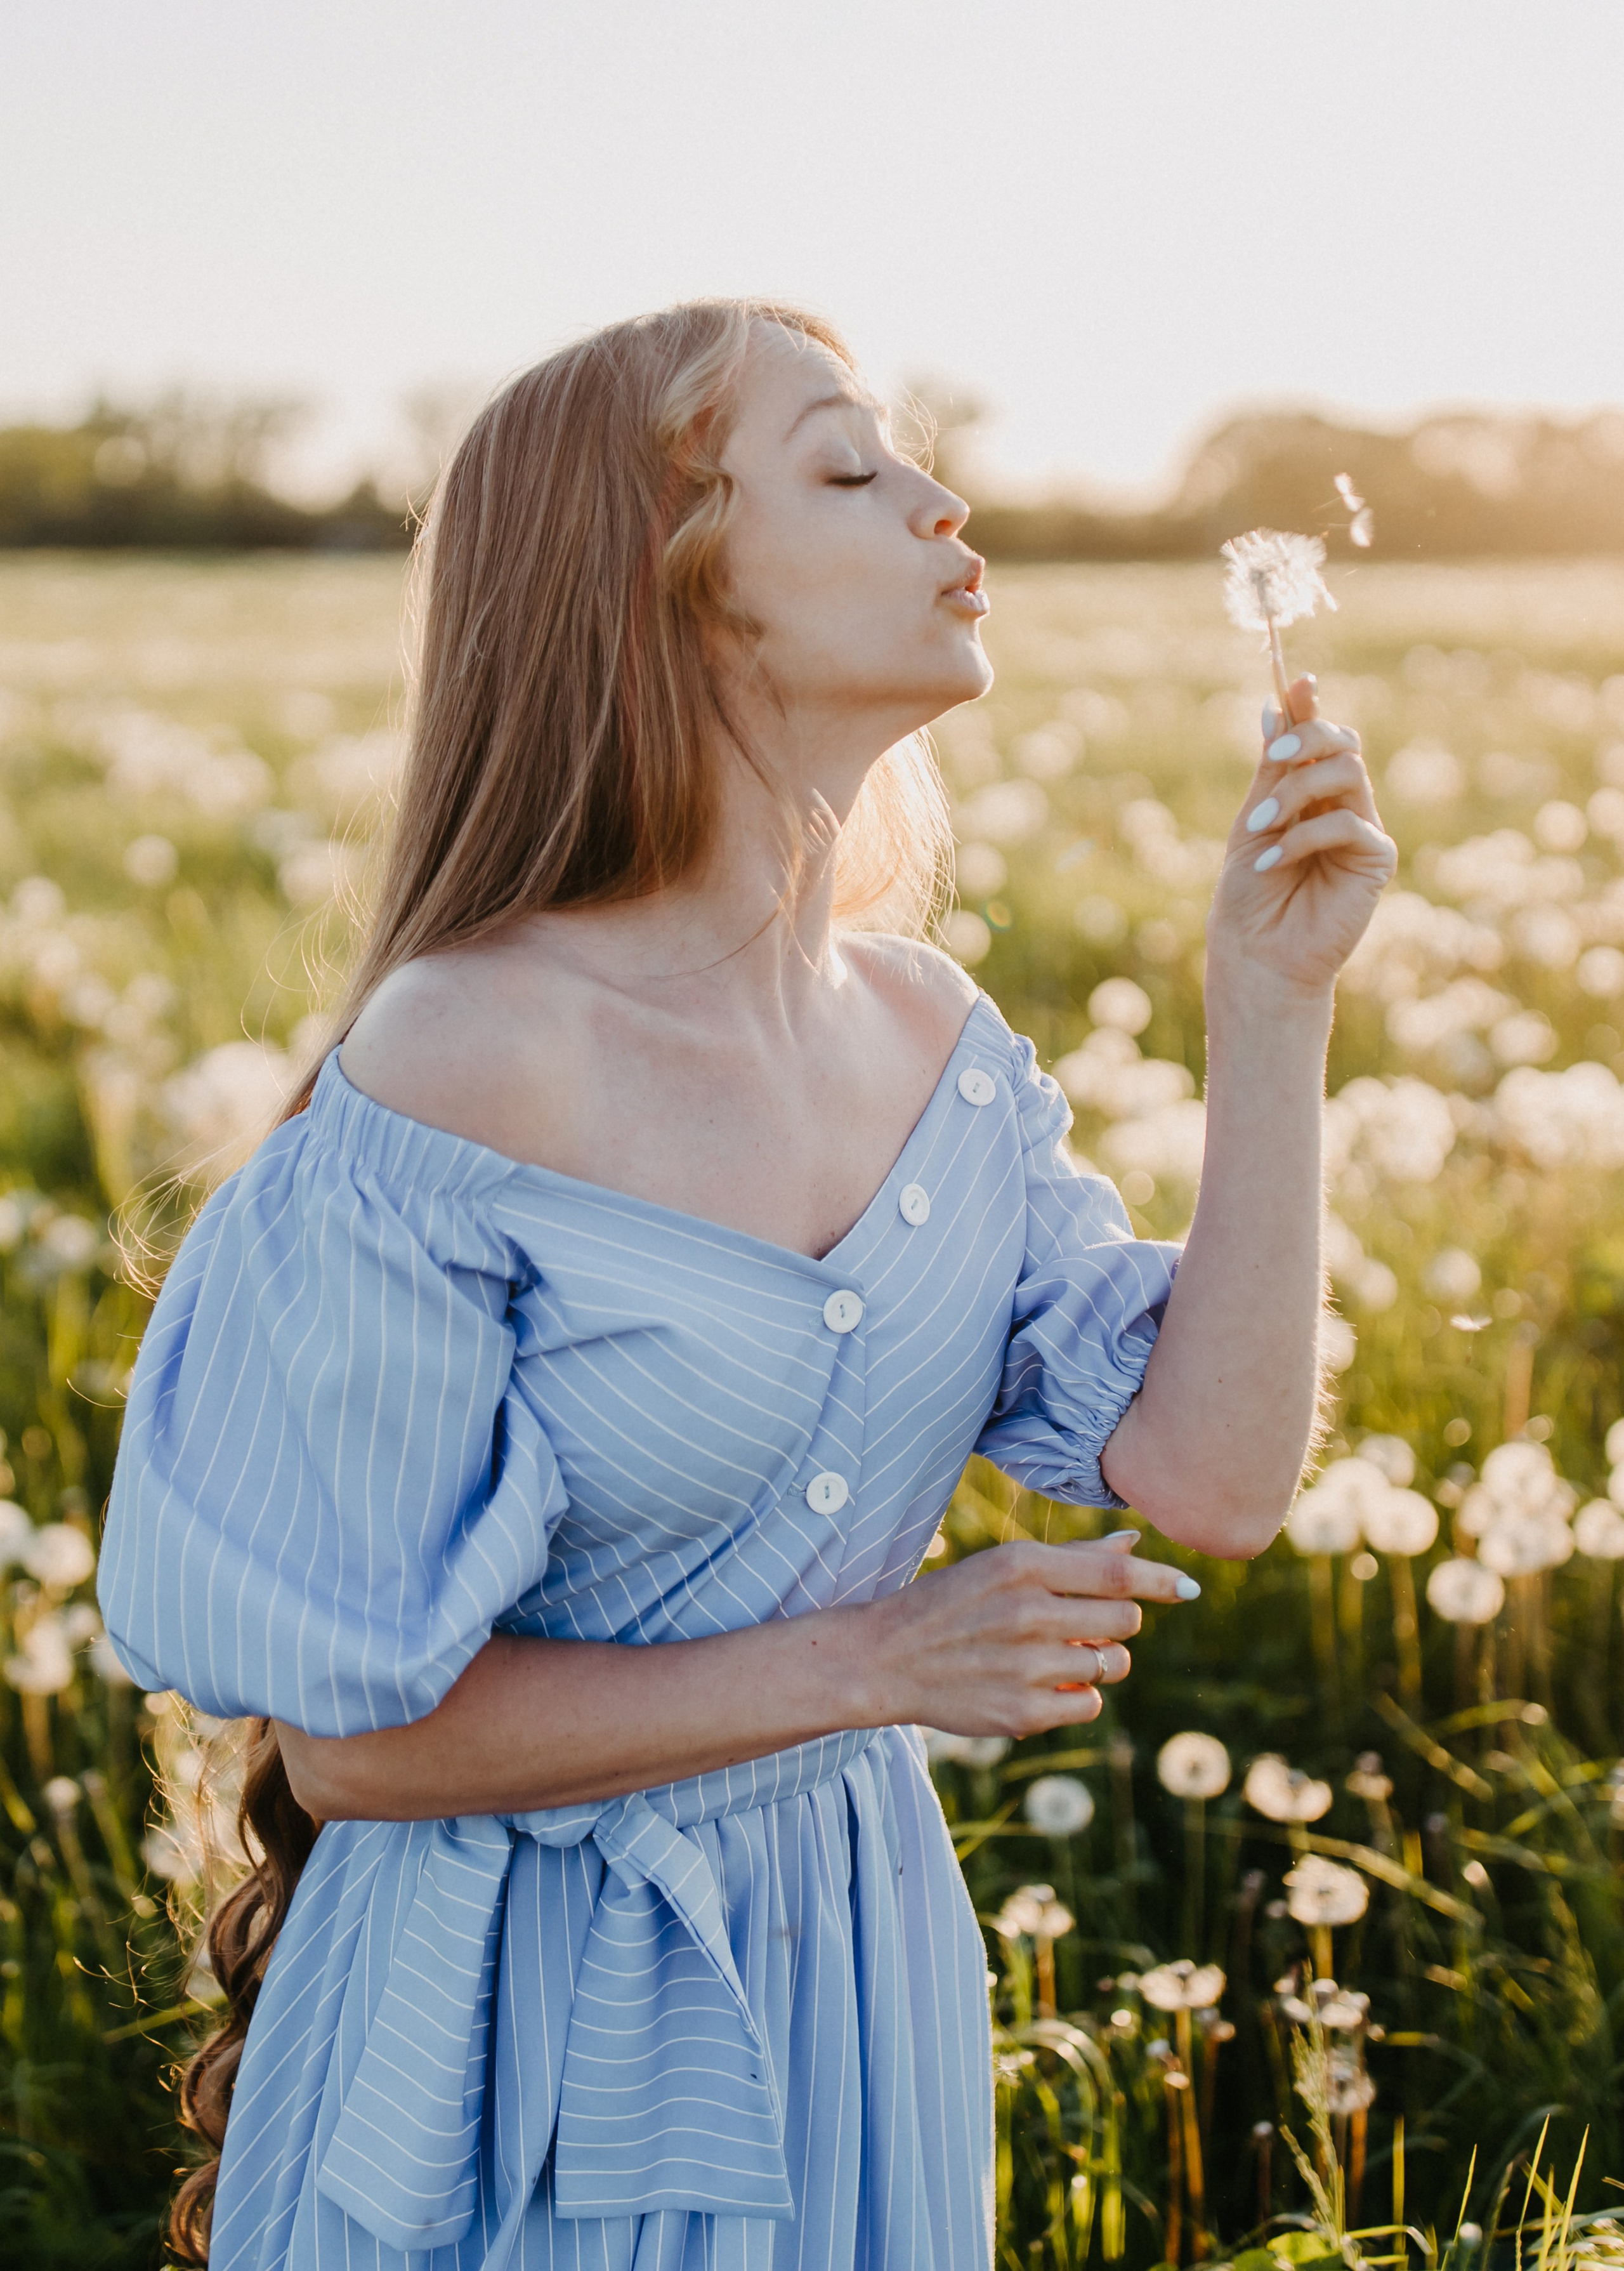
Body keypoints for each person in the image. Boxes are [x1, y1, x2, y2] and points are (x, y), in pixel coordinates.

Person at [98, 298, 1394, 2271]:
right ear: (669, 586)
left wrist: (1272, 1006)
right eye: (854, 469)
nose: (947, 504)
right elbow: (360, 1750)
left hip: (847, 1983)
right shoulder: (469, 1058)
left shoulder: (929, 1038)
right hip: (524, 2037)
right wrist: (877, 1664)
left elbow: (1210, 1477)